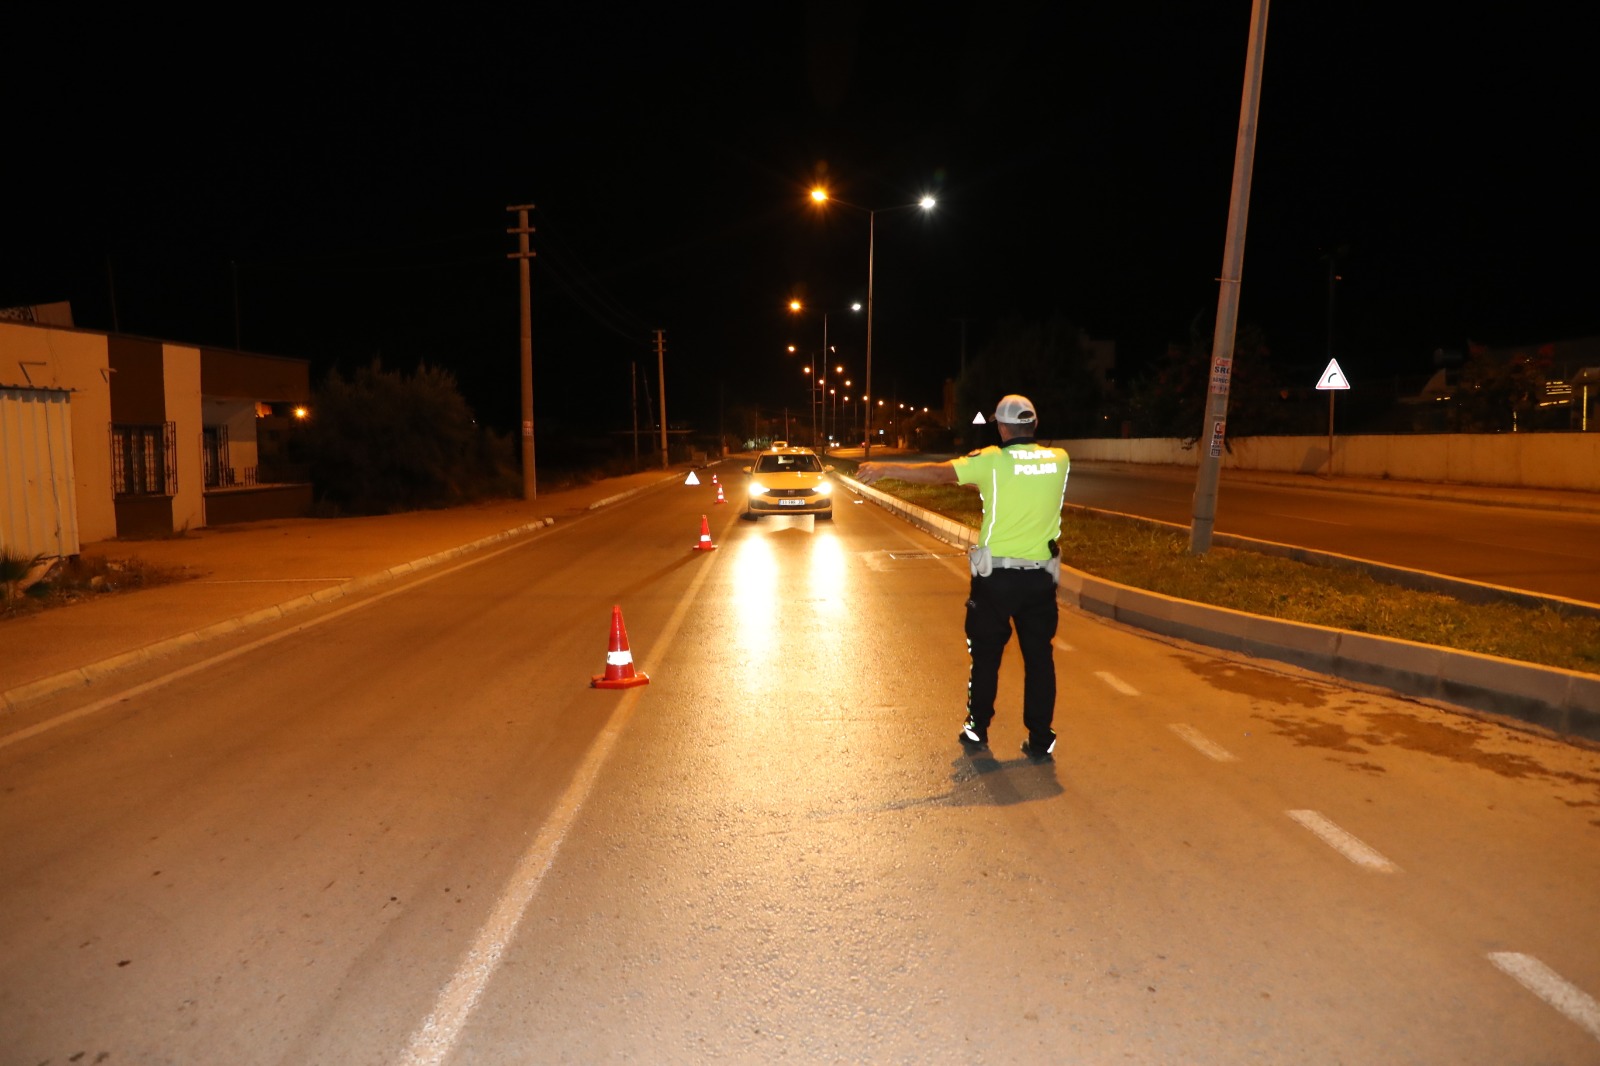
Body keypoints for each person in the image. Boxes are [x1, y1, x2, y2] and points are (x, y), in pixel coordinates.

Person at [857, 394, 1071, 760]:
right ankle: (1040, 737)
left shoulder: (991, 460)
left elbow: (940, 473)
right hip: (1040, 579)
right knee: (1039, 659)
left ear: (1003, 427)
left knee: (985, 654)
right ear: (1034, 425)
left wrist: (886, 469)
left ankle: (977, 729)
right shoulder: (1060, 459)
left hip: (995, 580)